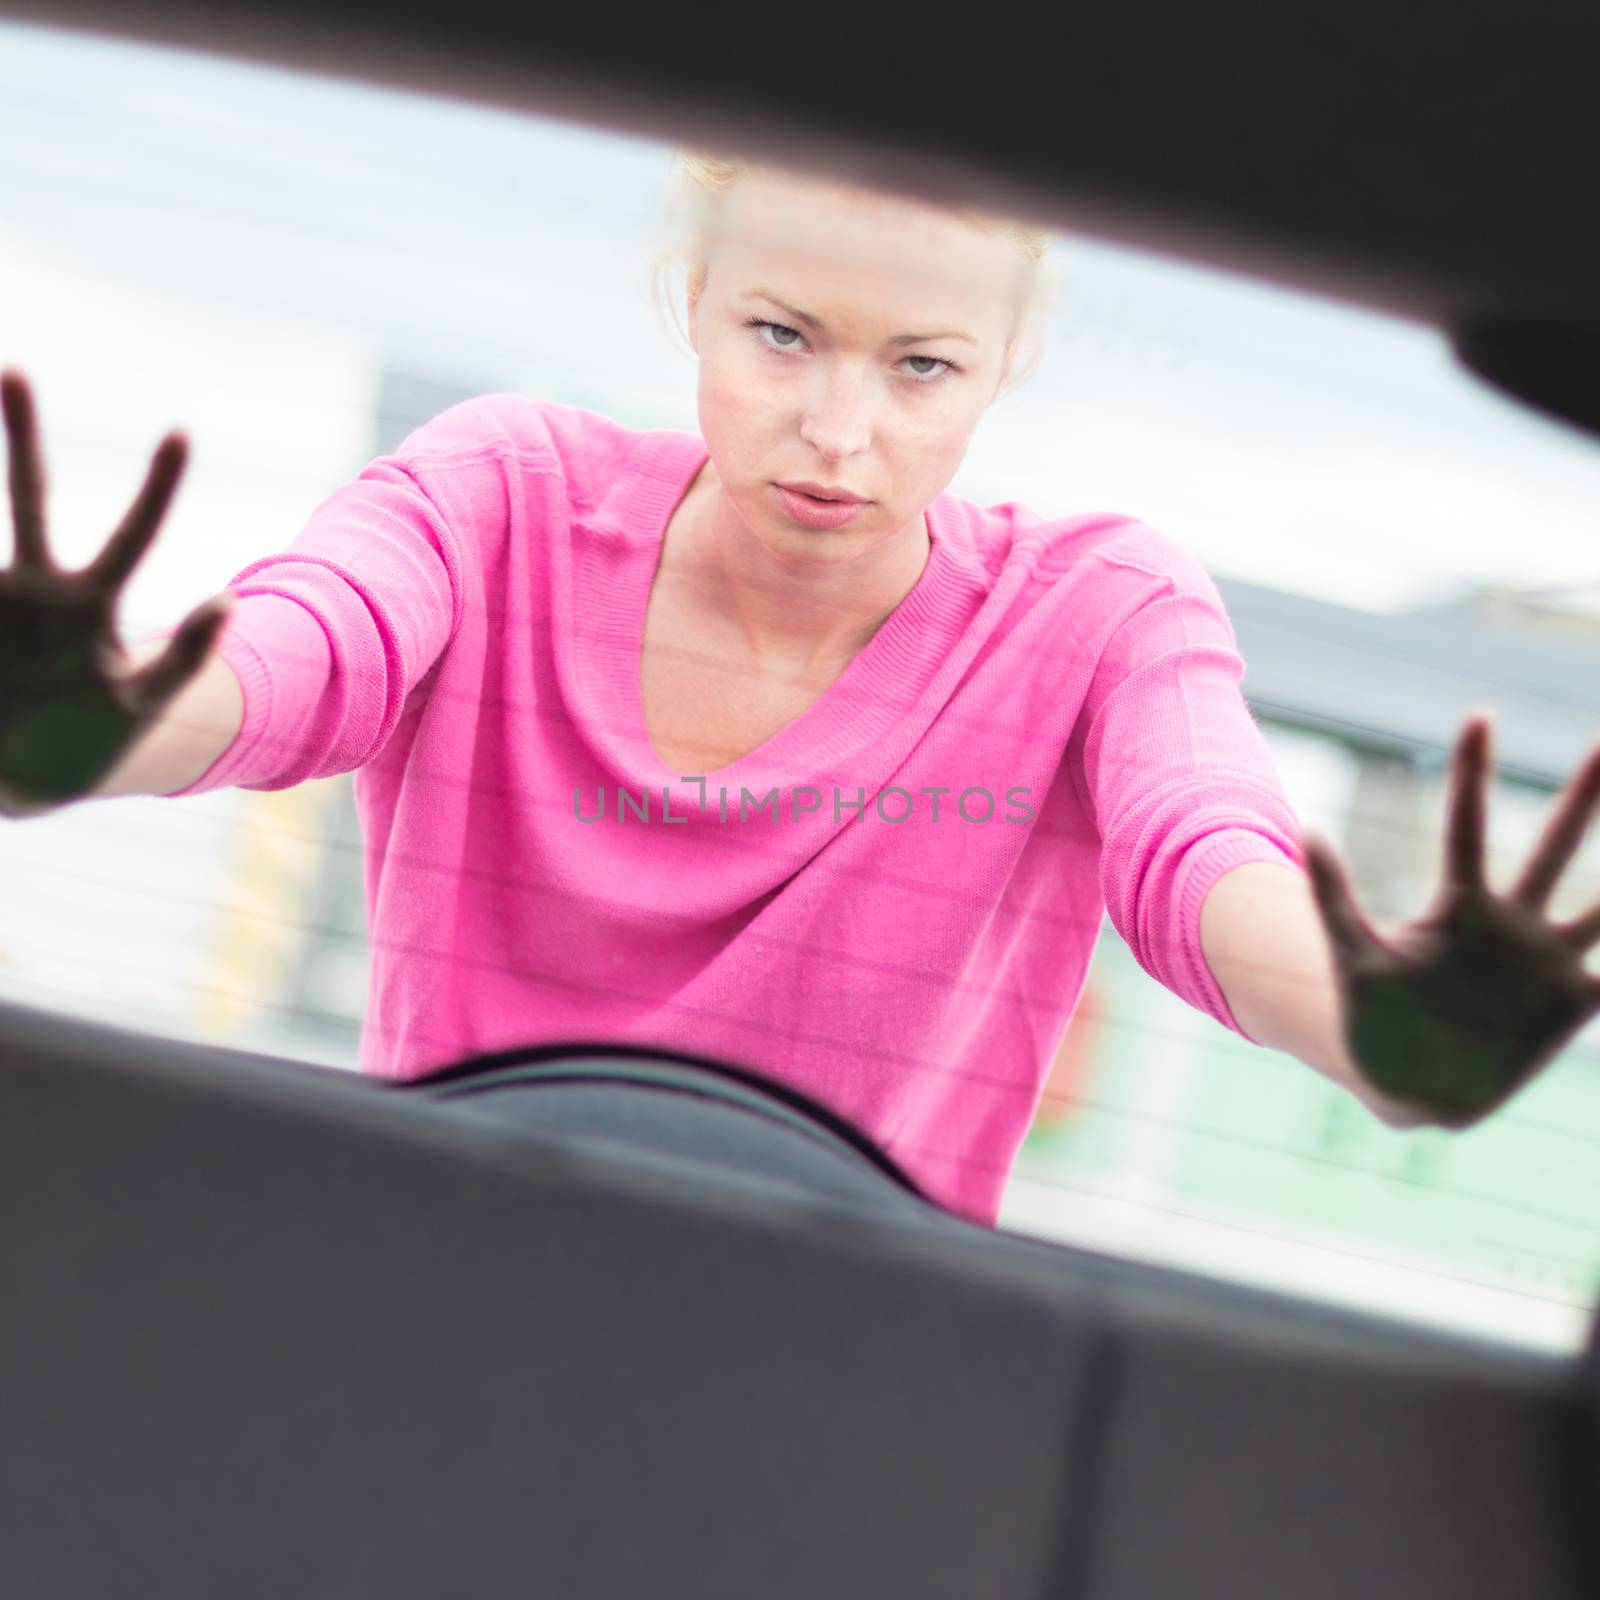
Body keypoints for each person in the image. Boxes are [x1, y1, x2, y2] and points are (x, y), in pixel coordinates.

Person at [5, 146, 1600, 1231]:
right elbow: (304, 663)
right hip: (446, 1291)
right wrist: (102, 730)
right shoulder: (498, 495)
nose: (842, 431)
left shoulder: (1101, 609)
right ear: (689, 300)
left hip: (856, 1369)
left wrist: (1373, 1024)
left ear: (1004, 361)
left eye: (921, 368)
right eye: (781, 336)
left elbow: (1207, 856)